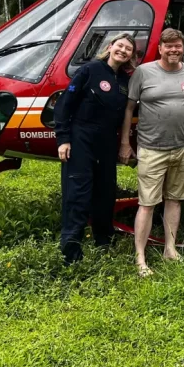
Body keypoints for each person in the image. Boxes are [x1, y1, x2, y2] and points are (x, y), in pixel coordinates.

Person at [119, 28, 184, 277]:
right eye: (169, 46)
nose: (174, 50)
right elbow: (128, 109)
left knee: (174, 199)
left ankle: (170, 249)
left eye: (178, 46)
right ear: (161, 49)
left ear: (182, 48)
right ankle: (140, 258)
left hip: (183, 147)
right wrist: (125, 143)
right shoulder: (144, 72)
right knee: (147, 203)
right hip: (152, 149)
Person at [53, 32, 135, 265]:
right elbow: (64, 107)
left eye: (128, 49)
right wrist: (63, 139)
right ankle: (71, 249)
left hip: (107, 142)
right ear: (110, 47)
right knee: (78, 193)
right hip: (81, 139)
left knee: (105, 193)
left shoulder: (125, 82)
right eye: (120, 45)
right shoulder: (89, 70)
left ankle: (103, 242)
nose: (123, 51)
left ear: (131, 55)